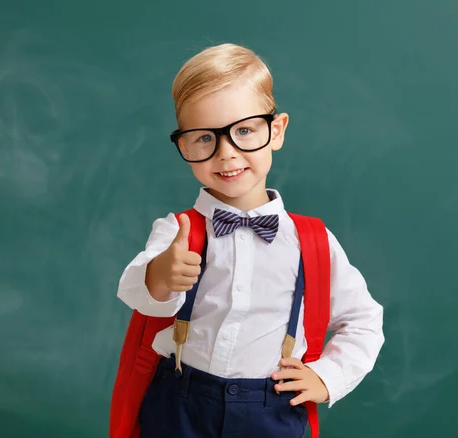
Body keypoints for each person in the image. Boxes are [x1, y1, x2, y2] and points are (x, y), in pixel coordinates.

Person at [112, 43, 384, 438]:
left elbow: (363, 320)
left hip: (271, 408)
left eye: (244, 131)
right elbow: (140, 296)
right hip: (180, 403)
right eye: (204, 138)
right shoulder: (178, 229)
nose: (226, 153)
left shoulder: (312, 240)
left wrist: (327, 377)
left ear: (276, 131)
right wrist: (160, 275)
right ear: (183, 145)